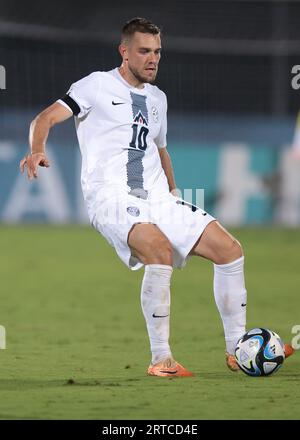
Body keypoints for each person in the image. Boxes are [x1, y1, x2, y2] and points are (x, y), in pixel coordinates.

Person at [20, 17, 294, 377]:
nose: (153, 59)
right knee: (158, 250)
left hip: (158, 198)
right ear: (125, 51)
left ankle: (237, 350)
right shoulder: (95, 85)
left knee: (229, 250)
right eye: (144, 51)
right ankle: (161, 359)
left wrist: (174, 193)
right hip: (111, 197)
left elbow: (160, 150)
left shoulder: (157, 99)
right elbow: (43, 118)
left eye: (158, 52)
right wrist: (37, 149)